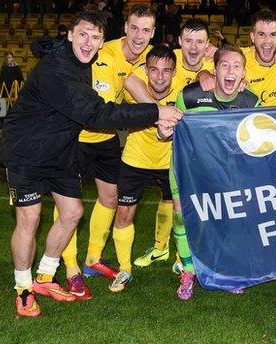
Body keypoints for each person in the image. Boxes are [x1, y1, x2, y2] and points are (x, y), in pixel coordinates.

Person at [1, 10, 182, 317]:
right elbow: (96, 114)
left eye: (95, 37)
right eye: (82, 34)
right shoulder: (56, 70)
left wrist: (159, 110)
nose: (88, 42)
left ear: (103, 41)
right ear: (70, 35)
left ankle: (45, 276)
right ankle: (23, 288)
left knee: (72, 213)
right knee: (29, 218)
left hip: (61, 151)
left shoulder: (81, 62)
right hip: (26, 151)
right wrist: (155, 113)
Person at [60, 5, 157, 292]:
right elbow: (102, 108)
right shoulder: (108, 54)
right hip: (73, 138)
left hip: (104, 139)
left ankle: (93, 257)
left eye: (146, 30)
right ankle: (71, 266)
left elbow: (146, 87)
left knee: (111, 197)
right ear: (126, 27)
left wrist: (212, 53)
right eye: (135, 28)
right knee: (69, 204)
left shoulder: (143, 60)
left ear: (153, 33)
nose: (140, 35)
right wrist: (156, 113)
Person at [163, 43, 260, 299]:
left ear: (243, 73)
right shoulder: (190, 95)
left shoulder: (251, 100)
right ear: (214, 70)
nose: (230, 71)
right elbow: (169, 129)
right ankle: (188, 270)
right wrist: (164, 131)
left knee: (228, 219)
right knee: (183, 217)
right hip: (188, 168)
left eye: (236, 66)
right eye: (225, 65)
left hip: (225, 173)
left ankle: (227, 271)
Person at [124, 18, 214, 270]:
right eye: (188, 41)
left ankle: (181, 257)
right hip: (149, 147)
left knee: (180, 207)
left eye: (199, 43)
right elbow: (129, 79)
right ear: (179, 42)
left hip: (187, 155)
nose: (193, 48)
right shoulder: (167, 60)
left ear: (207, 46)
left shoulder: (214, 66)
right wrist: (159, 111)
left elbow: (238, 77)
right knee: (168, 204)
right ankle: (161, 249)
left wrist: (206, 72)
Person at [106, 45, 179, 292]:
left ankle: (180, 261)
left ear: (174, 72)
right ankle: (124, 269)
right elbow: (124, 79)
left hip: (171, 161)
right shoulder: (133, 85)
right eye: (154, 70)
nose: (160, 77)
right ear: (145, 69)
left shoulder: (184, 90)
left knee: (180, 212)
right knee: (124, 213)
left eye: (166, 71)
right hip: (135, 160)